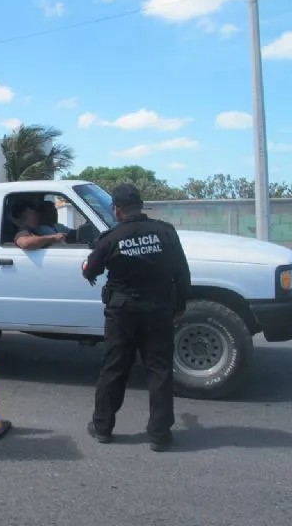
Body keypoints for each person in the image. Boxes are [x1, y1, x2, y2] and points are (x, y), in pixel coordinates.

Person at [82, 183, 191, 452]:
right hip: (158, 310)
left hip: (122, 313)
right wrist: (180, 305)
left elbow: (90, 270)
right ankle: (160, 435)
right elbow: (182, 272)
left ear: (116, 210)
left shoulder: (111, 238)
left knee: (115, 368)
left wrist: (86, 267)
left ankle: (102, 427)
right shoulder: (166, 232)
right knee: (160, 370)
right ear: (141, 206)